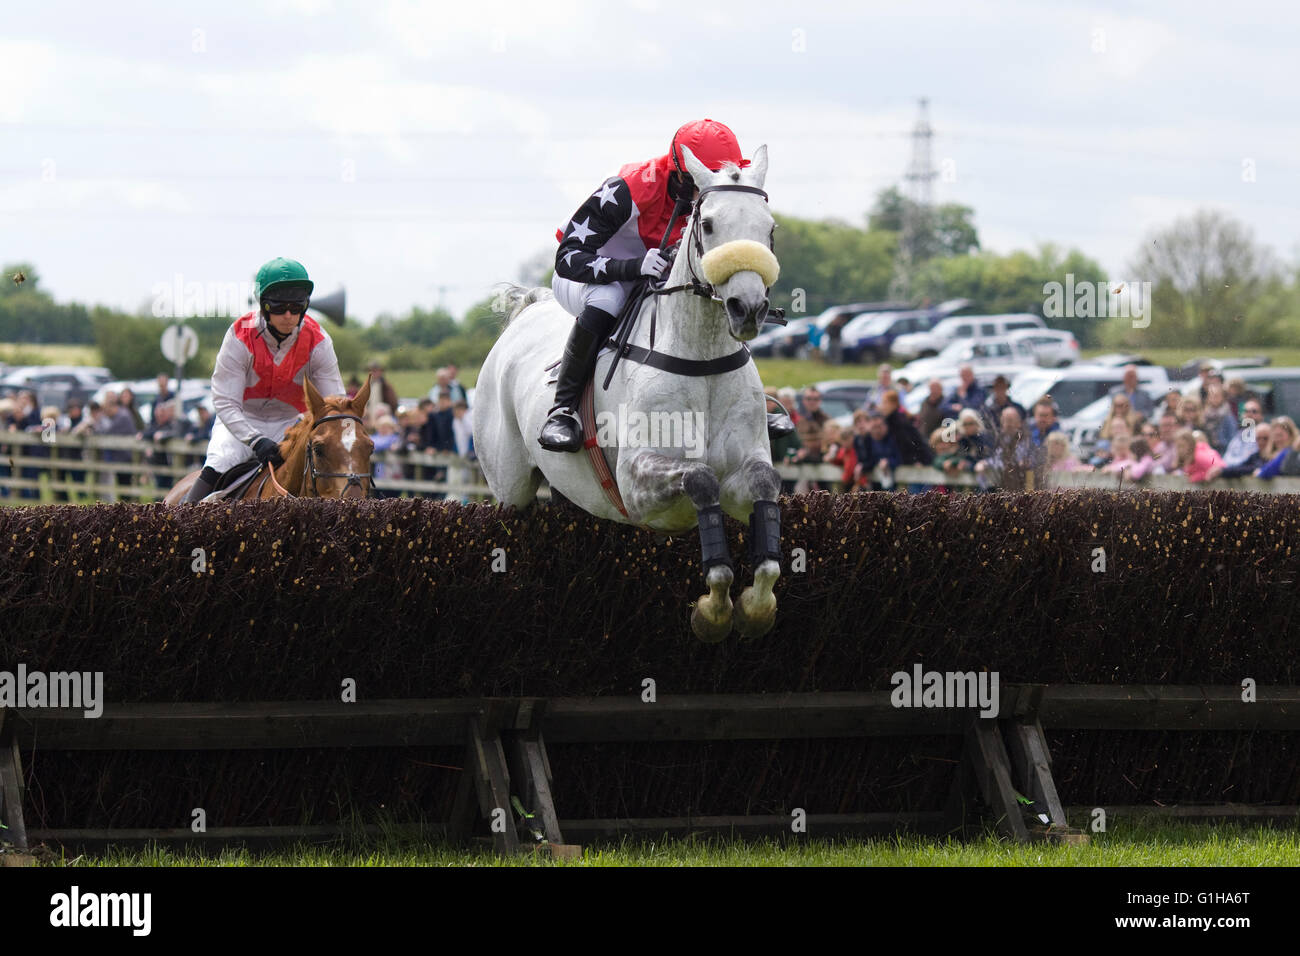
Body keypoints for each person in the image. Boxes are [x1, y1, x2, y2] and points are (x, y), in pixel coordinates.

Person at [539, 119, 761, 452]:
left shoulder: (711, 202)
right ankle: (562, 410)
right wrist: (629, 268)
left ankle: (747, 405)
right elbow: (568, 259)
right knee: (609, 298)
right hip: (587, 274)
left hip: (650, 278)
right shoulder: (627, 189)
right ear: (683, 176)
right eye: (706, 180)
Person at [182, 257, 346, 502]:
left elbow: (334, 402)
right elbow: (226, 403)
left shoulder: (319, 341)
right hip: (241, 422)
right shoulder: (239, 336)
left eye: (297, 306)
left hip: (292, 424)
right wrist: (256, 441)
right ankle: (181, 524)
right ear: (263, 305)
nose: (289, 315)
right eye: (279, 307)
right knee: (220, 460)